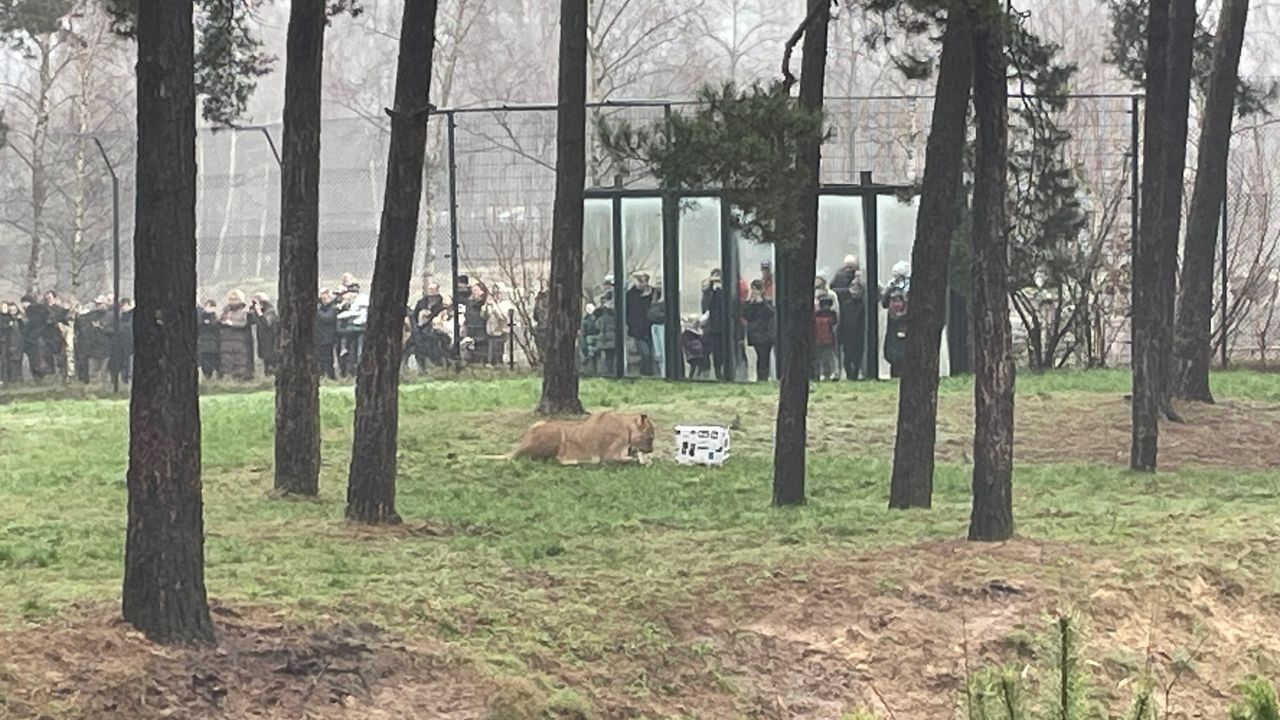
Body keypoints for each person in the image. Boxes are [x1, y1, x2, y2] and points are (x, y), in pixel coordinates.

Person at [830, 254, 867, 380]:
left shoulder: (861, 278)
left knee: (855, 349)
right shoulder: (839, 277)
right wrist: (847, 292)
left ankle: (855, 372)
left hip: (856, 317)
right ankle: (849, 372)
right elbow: (833, 289)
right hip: (845, 315)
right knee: (848, 349)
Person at [741, 280, 776, 382]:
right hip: (756, 333)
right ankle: (761, 377)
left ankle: (764, 377)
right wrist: (752, 303)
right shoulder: (750, 303)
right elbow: (746, 315)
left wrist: (762, 302)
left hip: (766, 333)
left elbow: (771, 313)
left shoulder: (767, 302)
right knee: (761, 356)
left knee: (764, 356)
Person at [882, 260, 911, 378]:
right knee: (892, 348)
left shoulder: (909, 287)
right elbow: (884, 303)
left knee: (902, 348)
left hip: (904, 323)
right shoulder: (891, 286)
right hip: (893, 323)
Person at [218, 290, 255, 380]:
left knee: (240, 360)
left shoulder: (244, 311)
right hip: (226, 341)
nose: (233, 301)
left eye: (235, 299)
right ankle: (227, 379)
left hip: (240, 341)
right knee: (227, 360)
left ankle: (241, 379)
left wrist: (231, 323)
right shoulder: (225, 311)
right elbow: (219, 322)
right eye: (231, 299)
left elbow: (244, 324)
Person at [625, 271, 656, 376]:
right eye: (639, 281)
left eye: (643, 281)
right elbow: (628, 312)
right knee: (645, 353)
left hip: (652, 328)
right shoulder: (630, 295)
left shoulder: (653, 293)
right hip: (637, 329)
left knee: (653, 353)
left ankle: (651, 373)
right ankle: (645, 373)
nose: (641, 284)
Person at [335, 286, 368, 376]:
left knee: (360, 351)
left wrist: (340, 316)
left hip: (361, 326)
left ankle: (360, 370)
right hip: (355, 326)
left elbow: (355, 313)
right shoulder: (353, 301)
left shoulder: (362, 300)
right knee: (354, 349)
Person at [701, 269, 727, 379]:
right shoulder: (708, 292)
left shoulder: (725, 291)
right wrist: (710, 288)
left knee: (721, 352)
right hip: (711, 327)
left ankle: (722, 373)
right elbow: (705, 306)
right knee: (710, 352)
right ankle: (712, 373)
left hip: (723, 326)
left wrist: (720, 289)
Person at [249, 293, 279, 376]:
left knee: (271, 359)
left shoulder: (270, 311)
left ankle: (273, 375)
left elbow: (267, 323)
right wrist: (252, 311)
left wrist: (259, 313)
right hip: (262, 339)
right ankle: (267, 376)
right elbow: (251, 322)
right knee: (265, 360)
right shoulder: (258, 312)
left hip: (271, 339)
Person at [315, 289, 340, 380]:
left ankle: (330, 376)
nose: (324, 301)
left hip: (328, 337)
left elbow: (327, 318)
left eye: (325, 298)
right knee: (320, 358)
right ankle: (321, 374)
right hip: (319, 337)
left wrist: (317, 311)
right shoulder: (321, 308)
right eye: (322, 299)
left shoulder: (333, 308)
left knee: (328, 358)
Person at [814, 294, 840, 381]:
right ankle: (820, 375)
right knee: (822, 359)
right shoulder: (820, 315)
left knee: (826, 359)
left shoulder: (830, 314)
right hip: (823, 340)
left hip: (825, 340)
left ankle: (826, 375)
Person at [110, 298, 134, 385]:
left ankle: (128, 380)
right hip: (122, 345)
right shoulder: (122, 316)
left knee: (129, 364)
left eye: (123, 305)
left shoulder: (131, 316)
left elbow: (127, 329)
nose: (122, 308)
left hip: (130, 345)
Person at [0, 302, 24, 383]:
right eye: (11, 310)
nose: (12, 311)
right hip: (10, 342)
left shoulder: (20, 318)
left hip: (19, 341)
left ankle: (18, 378)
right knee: (9, 360)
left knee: (18, 360)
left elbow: (24, 328)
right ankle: (10, 379)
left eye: (14, 309)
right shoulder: (8, 319)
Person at [681, 314, 710, 379]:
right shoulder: (688, 332)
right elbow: (686, 343)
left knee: (699, 367)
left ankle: (697, 376)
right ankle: (692, 377)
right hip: (693, 353)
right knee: (694, 367)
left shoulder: (699, 331)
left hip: (699, 353)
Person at [197, 300, 221, 379]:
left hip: (213, 343)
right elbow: (199, 326)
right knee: (204, 362)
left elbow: (215, 326)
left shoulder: (216, 317)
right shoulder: (201, 316)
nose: (208, 308)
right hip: (203, 343)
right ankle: (207, 377)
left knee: (213, 361)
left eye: (210, 306)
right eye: (206, 306)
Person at [595, 296, 618, 375]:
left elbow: (597, 326)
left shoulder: (601, 319)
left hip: (604, 339)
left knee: (605, 356)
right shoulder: (614, 318)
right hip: (612, 339)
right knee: (611, 356)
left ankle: (606, 370)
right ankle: (611, 369)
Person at [646, 286, 666, 377]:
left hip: (662, 327)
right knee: (658, 353)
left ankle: (664, 373)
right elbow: (650, 315)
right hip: (655, 327)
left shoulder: (663, 304)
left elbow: (654, 315)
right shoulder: (653, 304)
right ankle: (661, 372)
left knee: (663, 351)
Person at [579, 302, 600, 374]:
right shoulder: (590, 320)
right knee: (590, 355)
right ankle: (588, 370)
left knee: (591, 355)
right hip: (590, 339)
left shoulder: (587, 320)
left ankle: (591, 370)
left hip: (591, 339)